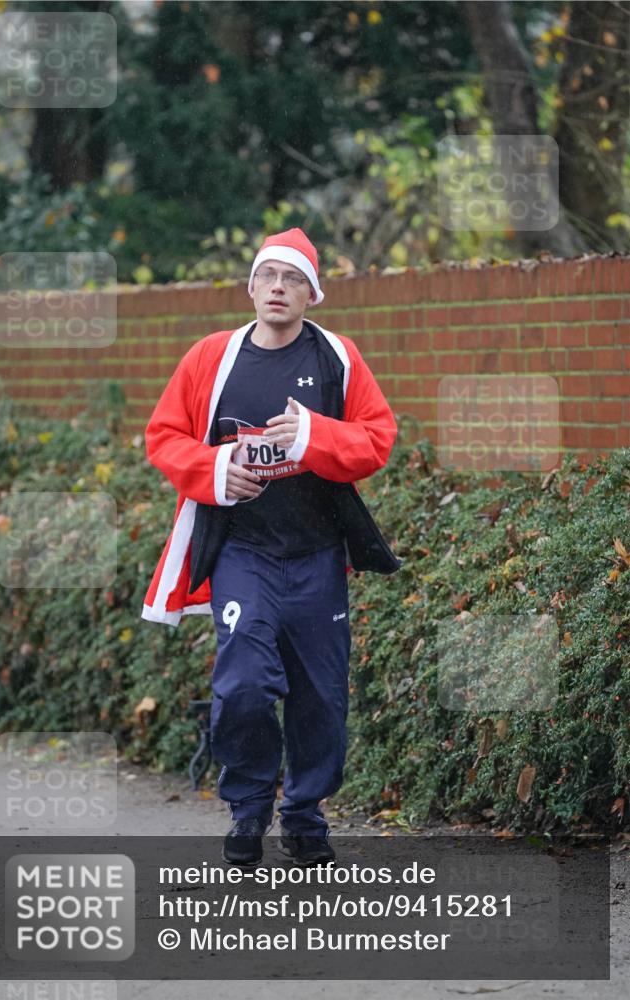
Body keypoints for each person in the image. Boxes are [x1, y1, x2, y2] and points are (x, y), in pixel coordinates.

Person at [142, 228, 400, 866]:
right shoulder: (211, 358)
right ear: (251, 286)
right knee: (245, 685)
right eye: (268, 277)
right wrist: (215, 470)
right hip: (244, 555)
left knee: (321, 695)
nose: (278, 289)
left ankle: (306, 818)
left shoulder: (337, 358)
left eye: (292, 280)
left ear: (312, 293)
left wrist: (313, 435)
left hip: (316, 555)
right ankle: (249, 807)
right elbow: (163, 436)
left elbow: (377, 440)